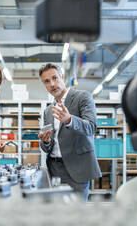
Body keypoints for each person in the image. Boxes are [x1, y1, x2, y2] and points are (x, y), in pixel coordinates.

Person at [38, 63, 101, 201]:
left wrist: (69, 120)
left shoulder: (82, 97)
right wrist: (46, 141)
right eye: (47, 81)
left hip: (77, 168)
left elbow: (91, 127)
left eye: (55, 78)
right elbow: (47, 146)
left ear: (62, 76)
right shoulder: (48, 111)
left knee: (76, 216)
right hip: (54, 169)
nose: (52, 84)